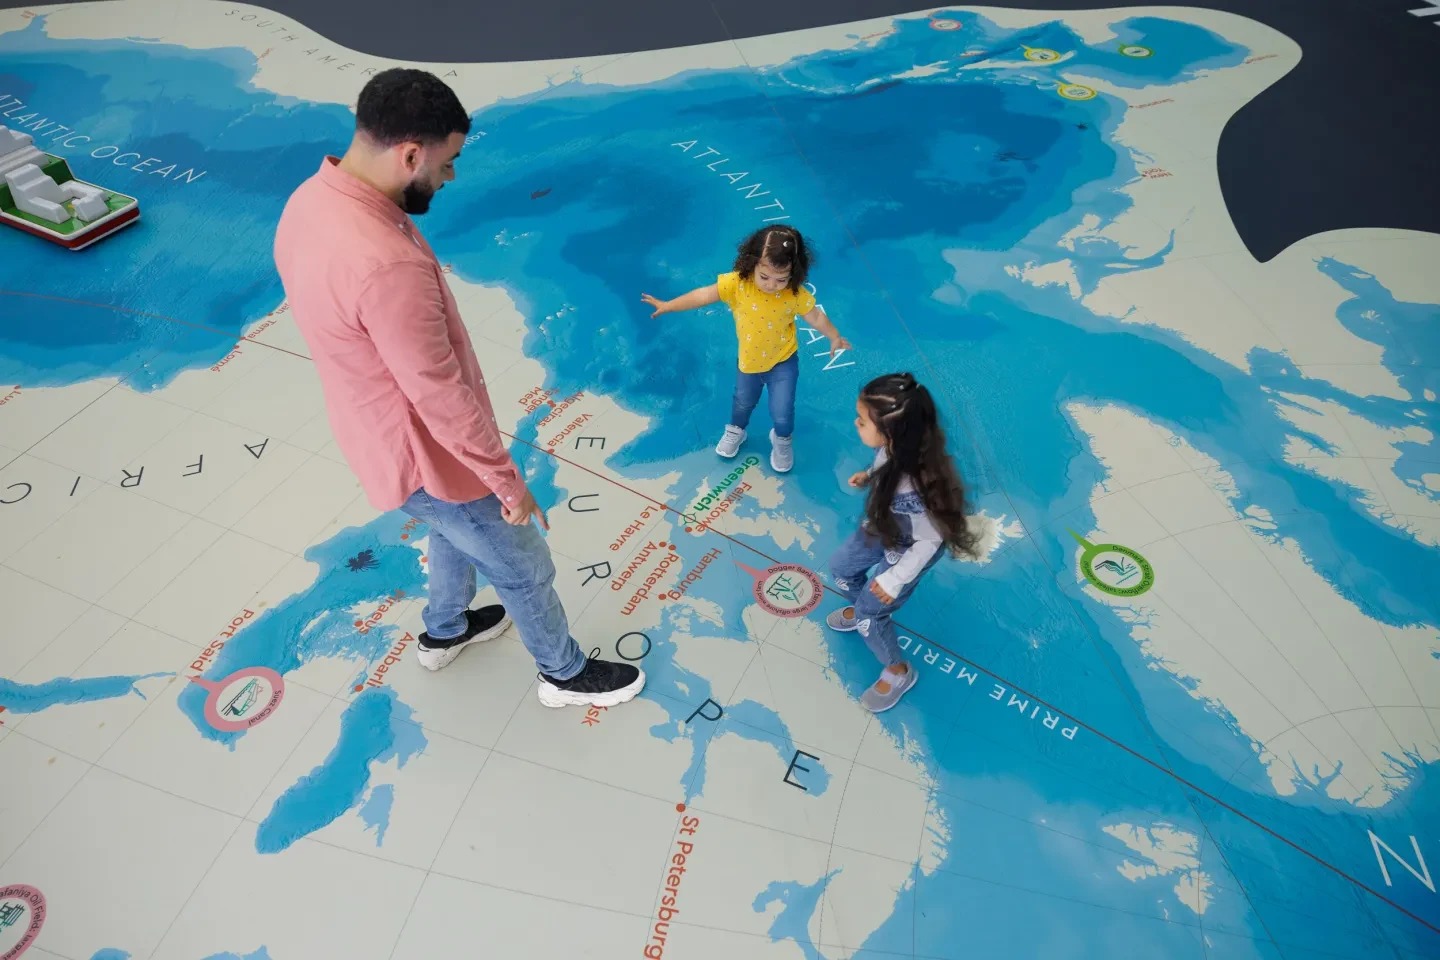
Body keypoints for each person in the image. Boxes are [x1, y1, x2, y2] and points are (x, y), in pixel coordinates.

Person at [272, 68, 643, 709]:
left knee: (448, 528)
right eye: (447, 164)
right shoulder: (383, 263)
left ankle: (444, 631)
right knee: (522, 567)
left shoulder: (310, 201)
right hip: (429, 451)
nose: (449, 179)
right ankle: (563, 674)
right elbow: (438, 394)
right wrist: (507, 483)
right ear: (411, 152)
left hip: (374, 433)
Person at [825, 372, 980, 712]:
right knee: (840, 569)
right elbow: (886, 464)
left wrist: (894, 580)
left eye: (863, 421)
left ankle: (897, 670)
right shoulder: (894, 450)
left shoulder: (918, 486)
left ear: (892, 432)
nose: (856, 423)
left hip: (908, 546)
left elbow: (931, 539)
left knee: (870, 614)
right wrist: (871, 476)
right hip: (884, 525)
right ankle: (867, 610)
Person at [641, 225, 850, 473]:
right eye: (765, 277)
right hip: (749, 362)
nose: (772, 285)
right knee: (742, 402)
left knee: (783, 410)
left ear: (794, 274)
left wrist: (834, 337)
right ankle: (736, 431)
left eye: (781, 279)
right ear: (751, 264)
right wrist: (669, 305)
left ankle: (782, 440)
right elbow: (703, 295)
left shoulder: (794, 294)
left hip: (783, 361)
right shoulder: (737, 284)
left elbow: (815, 317)